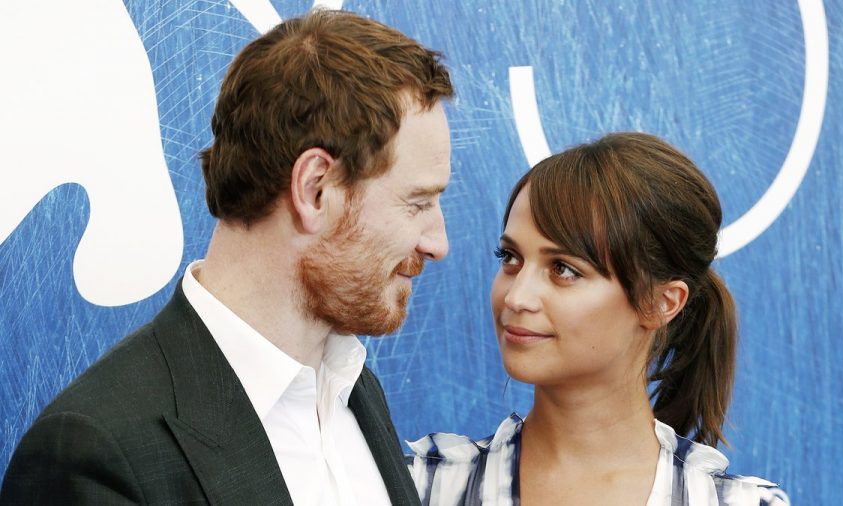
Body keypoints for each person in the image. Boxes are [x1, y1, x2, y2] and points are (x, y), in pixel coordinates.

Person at [2, 9, 453, 505]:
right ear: (315, 188)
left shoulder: (352, 389)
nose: (438, 241)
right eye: (418, 203)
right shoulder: (97, 452)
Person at [407, 133, 790, 505]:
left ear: (660, 302)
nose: (516, 296)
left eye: (564, 269)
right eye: (510, 258)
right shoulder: (422, 486)